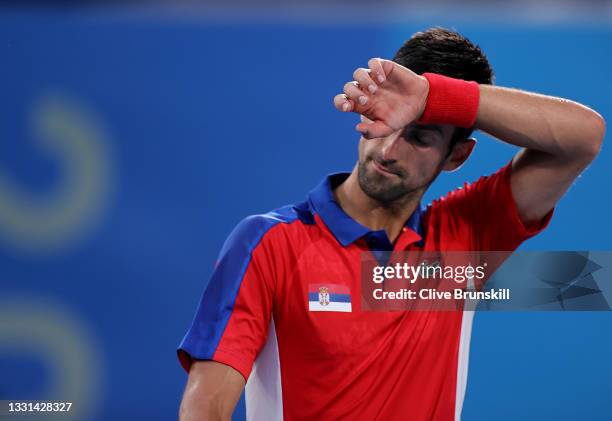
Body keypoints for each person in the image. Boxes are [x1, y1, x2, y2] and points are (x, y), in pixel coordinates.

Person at [177, 27, 605, 421]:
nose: (388, 149)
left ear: (457, 157)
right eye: (385, 120)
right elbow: (206, 405)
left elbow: (583, 136)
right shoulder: (268, 242)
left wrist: (430, 96)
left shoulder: (465, 238)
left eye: (419, 135)